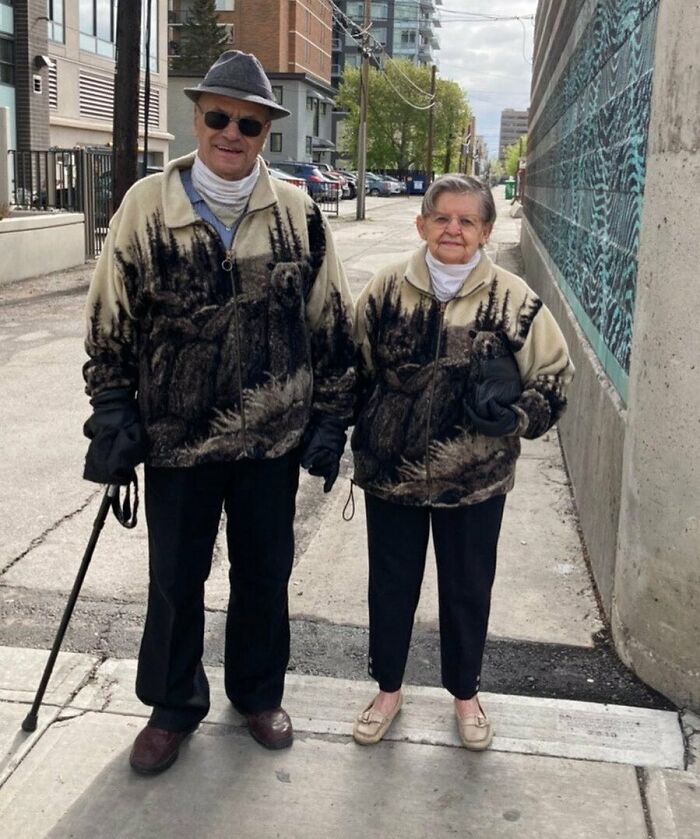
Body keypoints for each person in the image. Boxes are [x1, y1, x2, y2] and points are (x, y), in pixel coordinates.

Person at [82, 51, 355, 775]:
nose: (231, 133)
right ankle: (172, 707)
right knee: (176, 579)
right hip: (177, 439)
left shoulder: (298, 213)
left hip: (272, 438)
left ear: (265, 131)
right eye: (219, 118)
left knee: (265, 573)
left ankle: (257, 694)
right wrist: (112, 409)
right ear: (197, 119)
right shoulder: (146, 206)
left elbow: (330, 321)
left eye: (249, 124)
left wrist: (331, 419)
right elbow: (111, 317)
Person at [350, 174, 573, 750]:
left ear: (486, 231)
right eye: (442, 218)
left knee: (468, 589)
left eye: (467, 220)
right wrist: (350, 430)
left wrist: (518, 417)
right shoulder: (384, 289)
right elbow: (354, 364)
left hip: (476, 481)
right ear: (421, 223)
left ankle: (466, 695)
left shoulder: (514, 299)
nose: (453, 229)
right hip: (391, 478)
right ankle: (387, 690)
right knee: (390, 585)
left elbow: (554, 375)